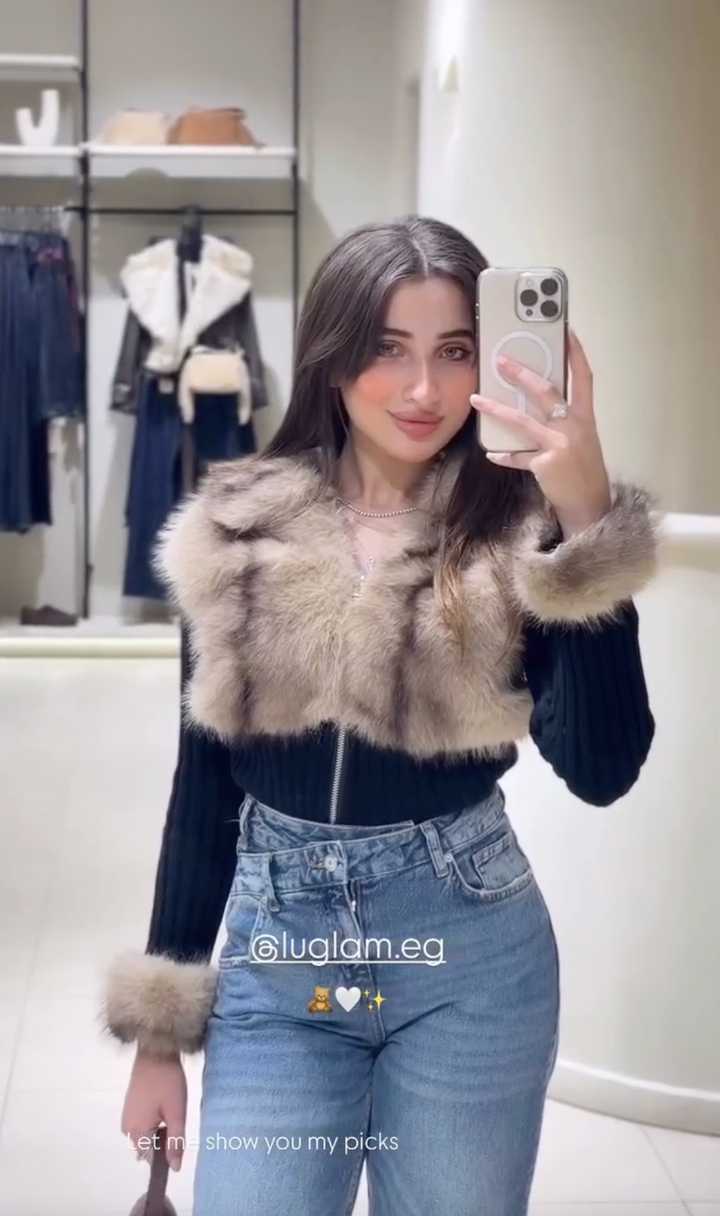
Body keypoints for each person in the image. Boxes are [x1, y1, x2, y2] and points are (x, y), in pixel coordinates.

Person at [101, 216, 658, 1216]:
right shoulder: (237, 524)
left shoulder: (515, 533)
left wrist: (586, 523)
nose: (423, 390)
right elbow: (203, 788)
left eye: (455, 352)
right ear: (333, 355)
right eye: (389, 349)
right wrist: (159, 1037)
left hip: (469, 955)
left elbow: (604, 767)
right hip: (281, 960)